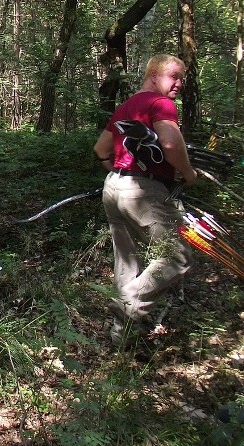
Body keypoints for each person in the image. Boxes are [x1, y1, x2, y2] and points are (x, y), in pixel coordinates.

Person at [93, 54, 197, 346]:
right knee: (178, 257)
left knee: (126, 261)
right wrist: (188, 173)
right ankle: (124, 307)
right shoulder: (159, 103)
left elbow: (101, 149)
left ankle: (120, 338)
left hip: (114, 187)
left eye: (182, 78)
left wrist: (119, 172)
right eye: (173, 76)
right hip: (143, 190)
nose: (179, 84)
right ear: (154, 75)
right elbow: (170, 143)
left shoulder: (125, 107)